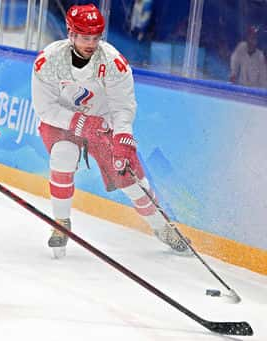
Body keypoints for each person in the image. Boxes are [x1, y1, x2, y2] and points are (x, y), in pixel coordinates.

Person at [31, 4, 189, 258]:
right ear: (70, 34)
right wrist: (81, 123)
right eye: (84, 37)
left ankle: (163, 227)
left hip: (103, 123)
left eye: (95, 37)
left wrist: (123, 139)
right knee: (62, 155)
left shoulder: (114, 62)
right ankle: (61, 222)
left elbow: (123, 107)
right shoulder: (48, 61)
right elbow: (45, 109)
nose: (90, 43)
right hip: (61, 122)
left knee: (129, 178)